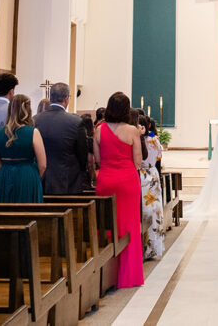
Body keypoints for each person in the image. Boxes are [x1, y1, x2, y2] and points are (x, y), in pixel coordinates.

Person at [94, 92, 144, 288]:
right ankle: (128, 276)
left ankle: (107, 276)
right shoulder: (132, 131)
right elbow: (138, 161)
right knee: (129, 226)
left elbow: (98, 160)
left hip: (106, 180)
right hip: (127, 182)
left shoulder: (99, 130)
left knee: (107, 225)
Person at [34, 82, 89, 194]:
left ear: (51, 97)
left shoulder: (34, 120)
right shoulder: (76, 122)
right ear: (66, 98)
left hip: (40, 180)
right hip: (68, 181)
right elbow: (83, 154)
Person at [0, 94, 46, 203]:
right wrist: (33, 176)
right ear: (28, 110)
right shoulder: (33, 132)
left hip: (5, 176)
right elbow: (43, 165)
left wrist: (7, 170)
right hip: (27, 176)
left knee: (5, 214)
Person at [140, 114, 165, 258]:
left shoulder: (139, 140)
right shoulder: (154, 139)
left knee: (145, 209)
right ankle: (153, 246)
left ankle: (146, 246)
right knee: (154, 210)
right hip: (153, 173)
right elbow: (159, 156)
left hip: (142, 175)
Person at [81, 114, 97, 187]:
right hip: (85, 175)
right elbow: (90, 163)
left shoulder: (76, 139)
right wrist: (92, 178)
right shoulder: (90, 141)